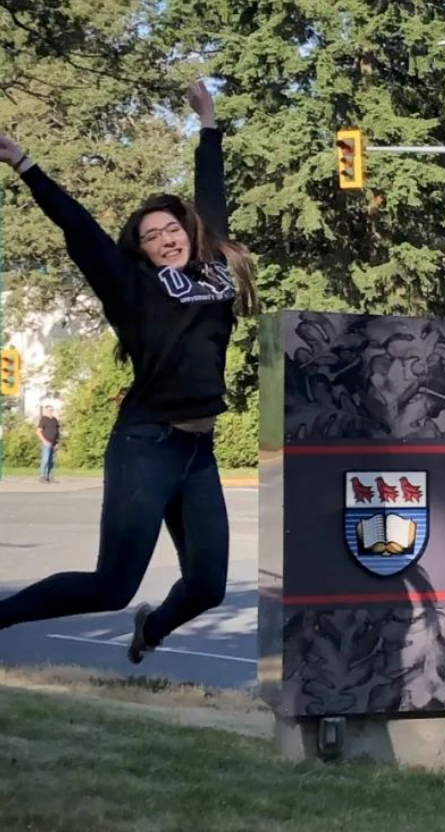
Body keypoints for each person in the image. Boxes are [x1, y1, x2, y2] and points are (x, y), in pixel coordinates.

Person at [0, 81, 258, 664]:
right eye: (152, 236)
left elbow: (211, 197)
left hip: (198, 452)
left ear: (188, 233)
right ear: (141, 250)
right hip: (146, 444)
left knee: (207, 587)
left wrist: (208, 123)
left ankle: (152, 629)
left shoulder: (214, 270)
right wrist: (23, 162)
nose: (167, 240)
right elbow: (78, 227)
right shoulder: (131, 286)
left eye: (173, 230)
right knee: (112, 586)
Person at [36, 404, 59, 483]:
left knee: (51, 461)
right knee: (45, 460)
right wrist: (44, 441)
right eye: (49, 410)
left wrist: (57, 442)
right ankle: (43, 476)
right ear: (46, 411)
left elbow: (57, 432)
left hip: (53, 443)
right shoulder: (43, 419)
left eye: (52, 410)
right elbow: (38, 432)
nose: (51, 412)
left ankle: (50, 476)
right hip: (46, 443)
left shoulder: (55, 420)